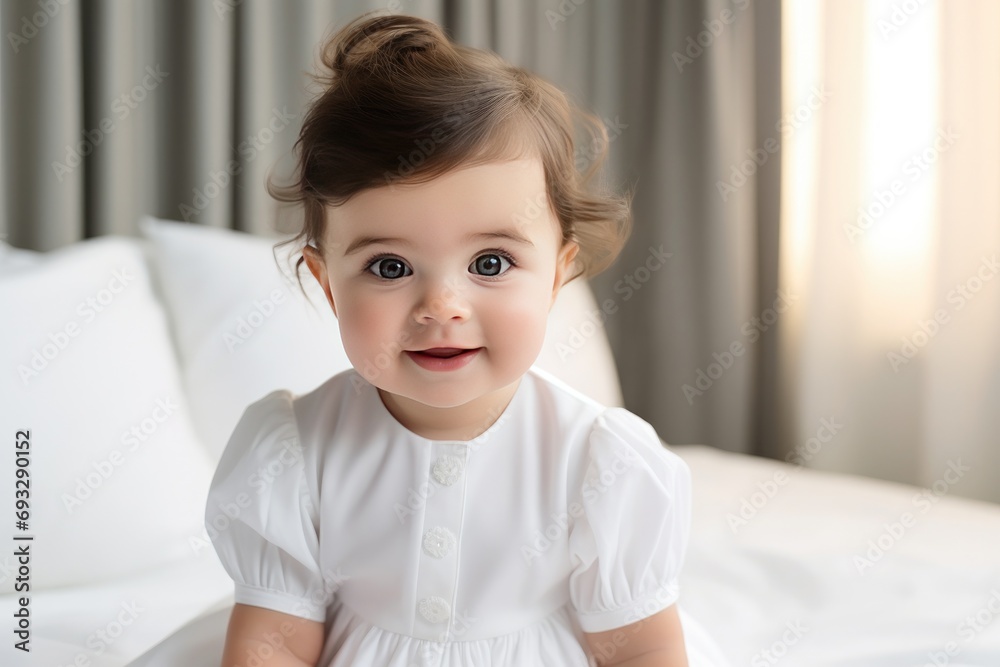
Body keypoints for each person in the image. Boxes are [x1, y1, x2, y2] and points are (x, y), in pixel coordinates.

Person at [206, 11, 730, 667]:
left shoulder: (599, 459)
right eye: (389, 267)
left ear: (556, 275)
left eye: (489, 263)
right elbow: (275, 640)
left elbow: (639, 649)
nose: (442, 306)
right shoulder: (295, 449)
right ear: (328, 283)